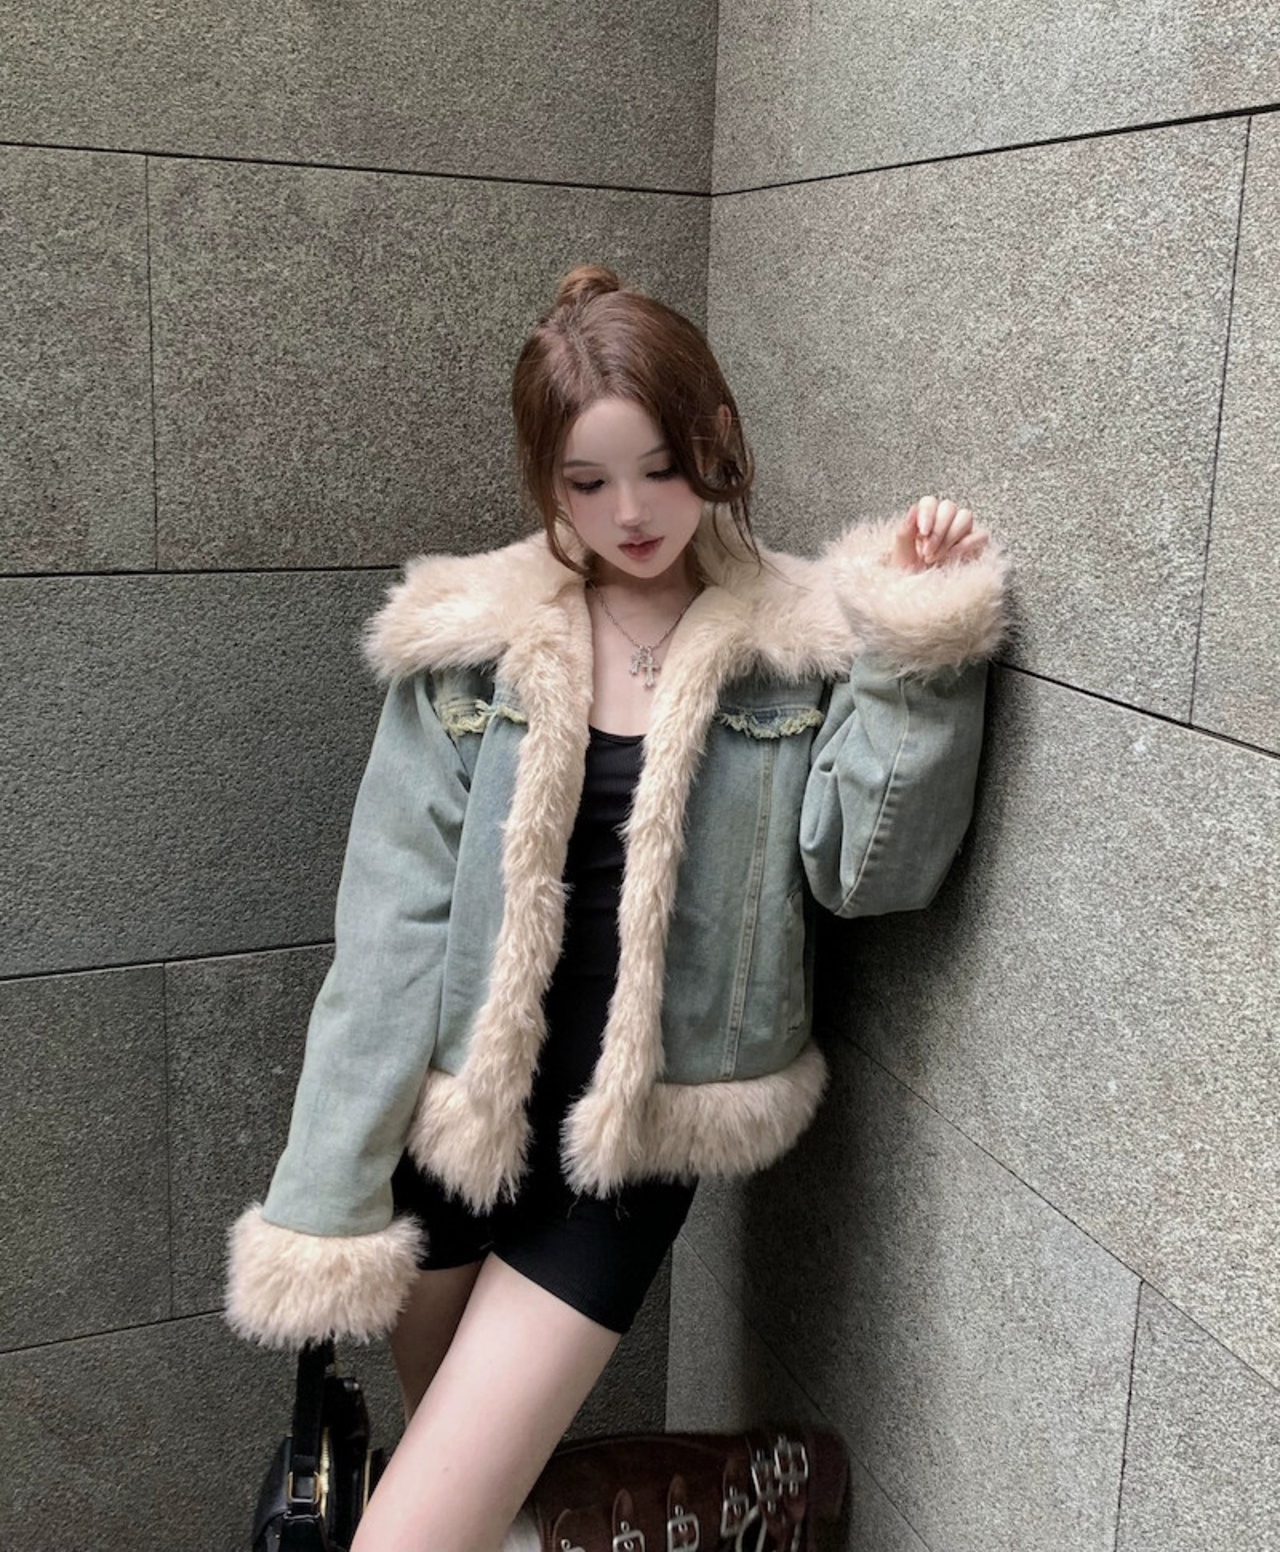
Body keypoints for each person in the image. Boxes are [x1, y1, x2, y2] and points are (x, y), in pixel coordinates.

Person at [225, 263, 1010, 1551]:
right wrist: (324, 1204)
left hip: (627, 1153)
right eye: (586, 483)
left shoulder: (796, 640)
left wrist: (921, 642)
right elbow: (385, 942)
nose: (631, 513)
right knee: (472, 1513)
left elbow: (869, 870)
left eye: (657, 468)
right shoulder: (469, 643)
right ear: (545, 481)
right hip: (456, 1135)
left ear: (715, 437)